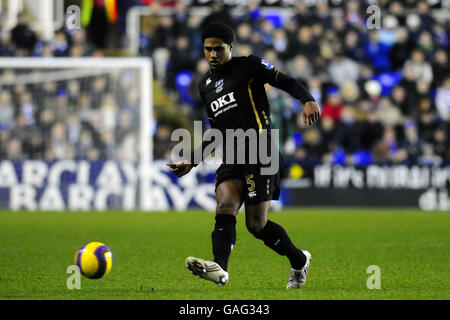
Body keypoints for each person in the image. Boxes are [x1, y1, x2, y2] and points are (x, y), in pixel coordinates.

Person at [167, 22, 321, 289]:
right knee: (225, 206)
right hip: (233, 154)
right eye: (207, 49)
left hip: (262, 150)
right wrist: (191, 161)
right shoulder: (205, 84)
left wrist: (306, 99)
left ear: (230, 47)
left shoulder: (249, 65)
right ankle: (220, 269)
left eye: (218, 49)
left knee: (256, 225)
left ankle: (299, 260)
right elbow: (216, 131)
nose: (212, 54)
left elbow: (284, 80)